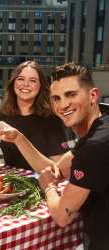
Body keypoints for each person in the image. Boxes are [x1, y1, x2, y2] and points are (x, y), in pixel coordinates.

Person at [38, 63, 109, 249]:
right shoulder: (102, 124)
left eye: (71, 94)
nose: (63, 105)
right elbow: (63, 164)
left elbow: (63, 216)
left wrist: (48, 188)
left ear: (93, 96)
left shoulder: (94, 146)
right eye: (56, 98)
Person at [0, 61, 68, 170]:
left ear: (40, 86)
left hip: (42, 180)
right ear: (13, 83)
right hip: (11, 179)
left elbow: (58, 168)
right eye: (20, 79)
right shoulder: (2, 112)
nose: (25, 84)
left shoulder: (51, 118)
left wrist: (19, 139)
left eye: (33, 81)